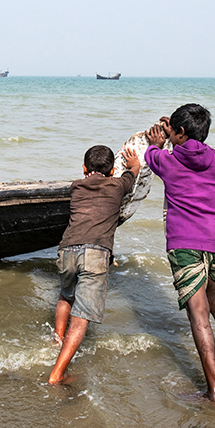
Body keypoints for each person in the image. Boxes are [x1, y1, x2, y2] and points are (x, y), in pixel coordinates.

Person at [144, 103, 215, 407]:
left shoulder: (167, 161)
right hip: (214, 242)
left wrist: (159, 141)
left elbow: (151, 154)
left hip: (185, 244)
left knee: (198, 313)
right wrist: (178, 133)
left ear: (178, 133)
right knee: (214, 297)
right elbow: (193, 146)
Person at [48, 144, 141, 385]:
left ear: (83, 168)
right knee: (81, 318)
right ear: (112, 172)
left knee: (65, 296)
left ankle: (57, 341)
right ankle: (57, 374)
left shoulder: (76, 186)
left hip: (67, 249)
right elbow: (134, 172)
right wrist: (132, 164)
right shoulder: (118, 185)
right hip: (95, 252)